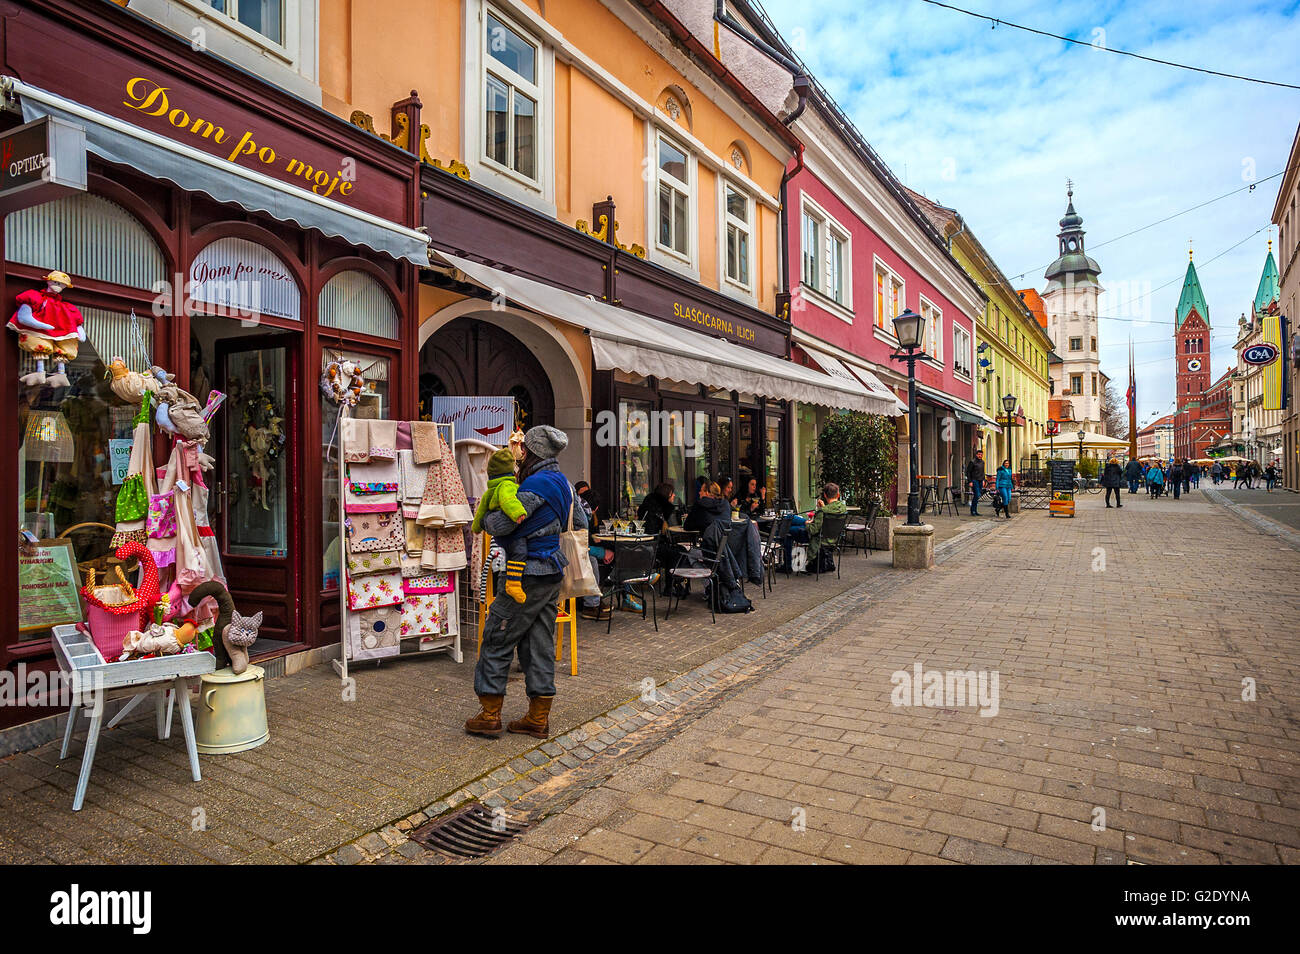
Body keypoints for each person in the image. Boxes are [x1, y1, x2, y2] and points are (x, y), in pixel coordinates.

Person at [465, 425, 584, 740]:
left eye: (523, 451)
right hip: (551, 572)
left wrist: (488, 516)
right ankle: (537, 717)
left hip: (526, 574)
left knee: (497, 637)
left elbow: (502, 523)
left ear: (531, 453)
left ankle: (490, 715)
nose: (519, 457)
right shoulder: (564, 483)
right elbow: (582, 522)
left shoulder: (536, 484)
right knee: (538, 643)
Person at [470, 448, 529, 603]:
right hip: (510, 529)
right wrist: (518, 513)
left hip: (498, 537)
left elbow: (481, 510)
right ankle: (514, 582)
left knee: (503, 560)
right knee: (520, 551)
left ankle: (507, 585)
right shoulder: (506, 486)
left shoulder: (490, 490)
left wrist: (476, 527)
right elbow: (508, 500)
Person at [806, 482, 848, 571]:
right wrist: (823, 507)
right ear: (838, 494)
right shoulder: (843, 509)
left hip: (821, 540)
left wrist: (807, 523)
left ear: (825, 495)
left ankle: (788, 565)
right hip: (834, 539)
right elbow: (829, 515)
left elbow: (813, 530)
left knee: (792, 530)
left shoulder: (823, 511)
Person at [966, 450, 986, 516]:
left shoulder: (982, 462)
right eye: (979, 454)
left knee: (978, 495)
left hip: (980, 480)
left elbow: (983, 472)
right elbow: (968, 472)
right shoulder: (972, 462)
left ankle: (975, 510)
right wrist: (970, 481)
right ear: (976, 455)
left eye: (981, 454)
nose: (980, 456)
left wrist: (983, 480)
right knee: (977, 494)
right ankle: (973, 510)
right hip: (974, 480)